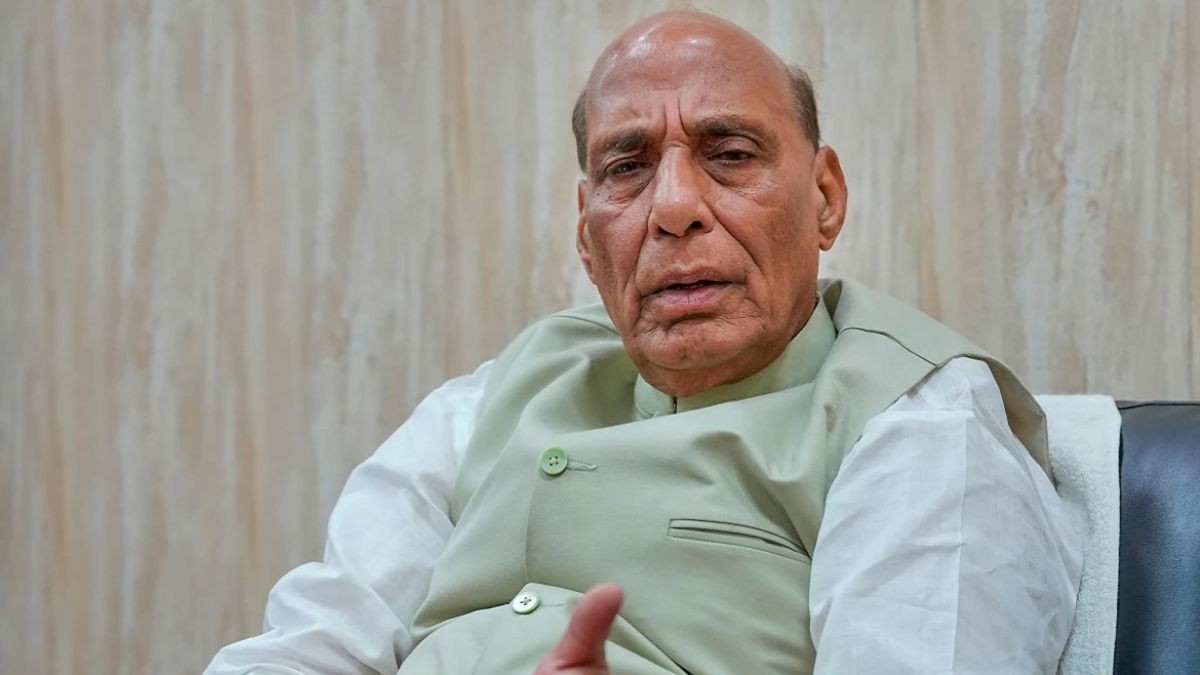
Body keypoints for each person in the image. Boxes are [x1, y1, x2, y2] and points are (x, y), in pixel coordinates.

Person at [206, 10, 1081, 675]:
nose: (673, 207)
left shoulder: (919, 423)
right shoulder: (486, 402)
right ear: (587, 236)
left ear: (825, 198)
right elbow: (311, 643)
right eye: (627, 167)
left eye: (729, 154)